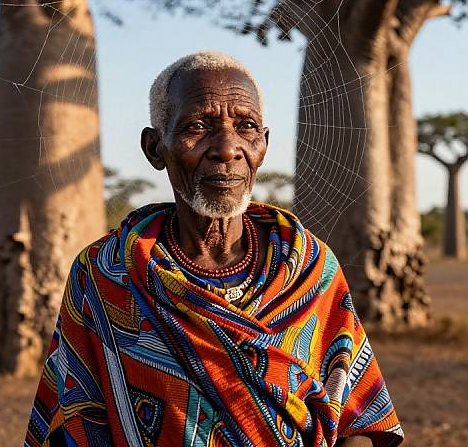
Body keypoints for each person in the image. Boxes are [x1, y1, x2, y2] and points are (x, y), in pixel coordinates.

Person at [25, 52, 404, 447]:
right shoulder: (106, 272)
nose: (227, 148)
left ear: (264, 144)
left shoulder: (309, 266)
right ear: (155, 148)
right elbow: (73, 419)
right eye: (197, 126)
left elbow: (358, 420)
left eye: (246, 127)